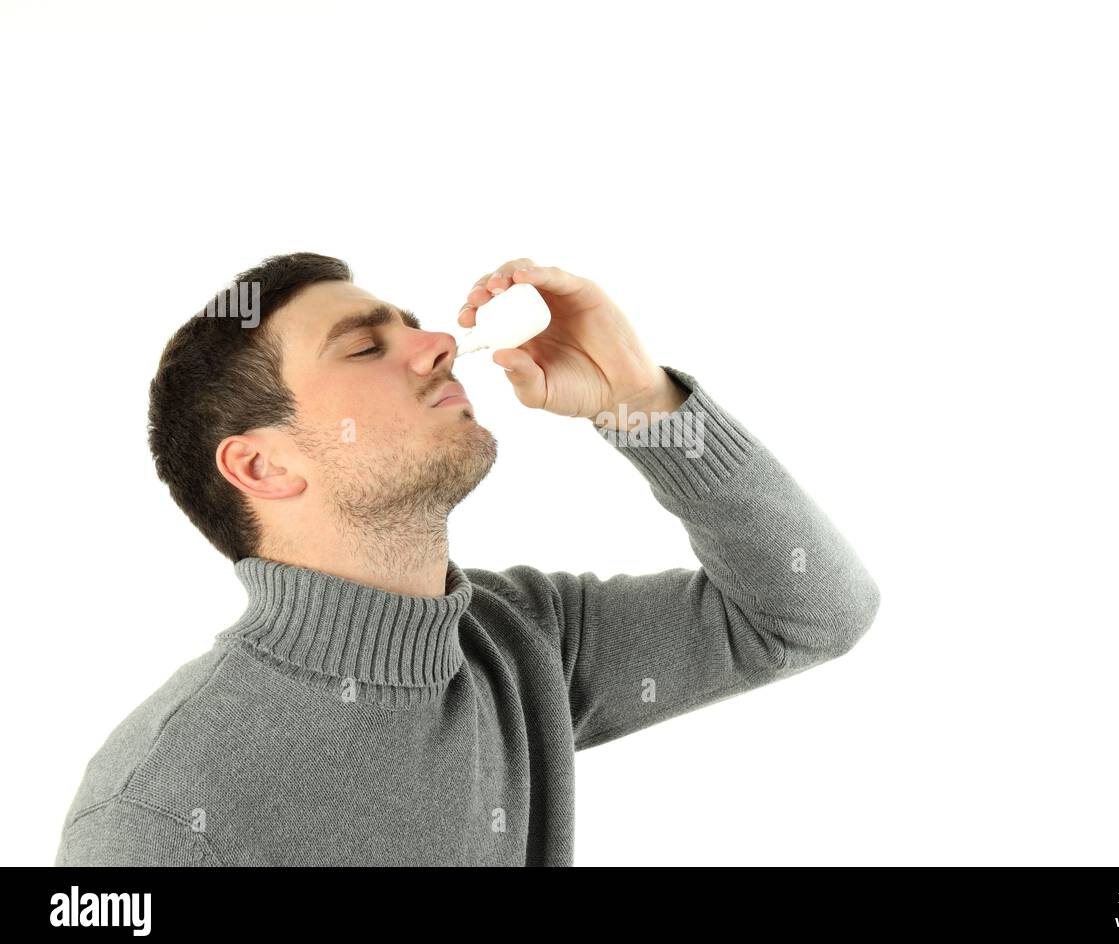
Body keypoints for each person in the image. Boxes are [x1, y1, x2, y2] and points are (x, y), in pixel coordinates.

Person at [55, 252, 881, 866]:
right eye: (363, 348)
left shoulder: (523, 639)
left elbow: (810, 611)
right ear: (263, 466)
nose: (438, 343)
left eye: (410, 325)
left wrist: (640, 399)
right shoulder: (151, 814)